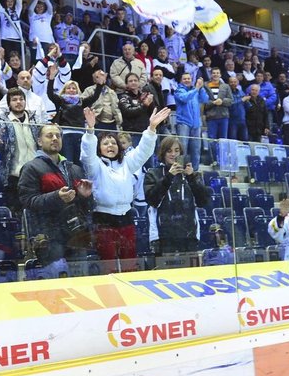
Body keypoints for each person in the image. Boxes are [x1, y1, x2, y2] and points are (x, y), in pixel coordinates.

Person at [80, 105, 170, 269]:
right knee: (109, 265)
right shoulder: (95, 165)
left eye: (113, 142)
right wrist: (90, 131)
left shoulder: (127, 162)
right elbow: (87, 155)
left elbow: (143, 151)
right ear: (98, 148)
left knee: (130, 263)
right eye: (105, 143)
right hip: (103, 219)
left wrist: (151, 128)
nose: (110, 145)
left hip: (126, 217)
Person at [17, 123, 95, 276]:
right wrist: (56, 197)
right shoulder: (31, 168)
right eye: (49, 135)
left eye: (58, 136)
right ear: (39, 141)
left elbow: (87, 207)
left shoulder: (74, 168)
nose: (55, 138)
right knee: (56, 288)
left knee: (82, 286)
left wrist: (86, 197)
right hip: (50, 237)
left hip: (76, 236)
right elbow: (28, 201)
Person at [143, 134, 212, 257]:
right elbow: (152, 200)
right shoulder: (153, 173)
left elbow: (203, 201)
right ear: (163, 153)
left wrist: (191, 177)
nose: (173, 154)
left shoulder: (191, 175)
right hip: (163, 235)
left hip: (188, 234)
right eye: (169, 151)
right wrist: (168, 177)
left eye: (177, 150)